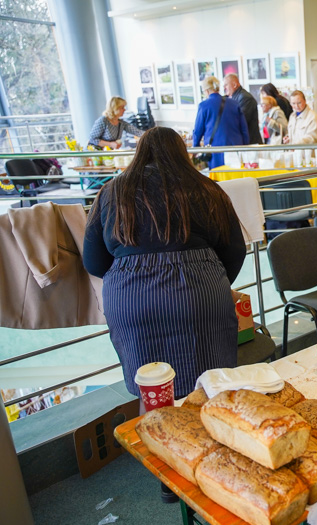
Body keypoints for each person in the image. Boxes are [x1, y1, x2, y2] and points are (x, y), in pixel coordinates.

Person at [82, 127, 246, 401]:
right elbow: (235, 251)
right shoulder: (208, 189)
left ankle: (157, 436)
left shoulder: (112, 191)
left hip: (131, 299)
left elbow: (94, 261)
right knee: (212, 388)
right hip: (199, 294)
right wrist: (211, 278)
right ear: (182, 153)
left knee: (153, 391)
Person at [192, 76, 249, 169]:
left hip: (216, 150)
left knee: (219, 178)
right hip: (236, 148)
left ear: (206, 91)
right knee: (236, 178)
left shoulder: (204, 106)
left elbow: (198, 131)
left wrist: (196, 147)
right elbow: (244, 129)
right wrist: (245, 147)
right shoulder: (234, 103)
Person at [223, 73, 263, 145]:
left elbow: (240, 121)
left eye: (226, 85)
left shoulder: (245, 98)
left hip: (250, 144)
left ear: (235, 85)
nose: (224, 88)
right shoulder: (233, 98)